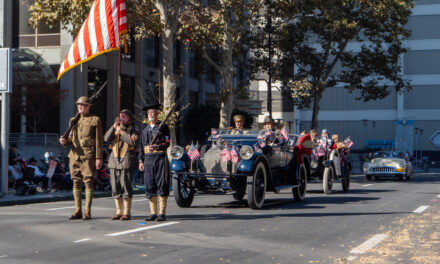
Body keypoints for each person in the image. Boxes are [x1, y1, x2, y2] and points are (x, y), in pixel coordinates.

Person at [59, 96, 103, 220]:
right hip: (74, 154)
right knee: (76, 181)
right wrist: (64, 141)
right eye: (79, 105)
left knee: (88, 182)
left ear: (88, 106)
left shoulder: (95, 120)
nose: (80, 107)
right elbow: (71, 139)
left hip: (88, 155)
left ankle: (87, 211)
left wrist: (99, 157)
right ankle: (78, 209)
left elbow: (99, 140)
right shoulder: (73, 120)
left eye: (83, 105)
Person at [104, 109, 139, 220]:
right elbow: (106, 138)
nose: (122, 118)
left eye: (124, 116)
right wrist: (114, 127)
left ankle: (126, 212)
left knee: (126, 186)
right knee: (115, 186)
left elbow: (133, 141)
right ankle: (118, 211)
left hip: (127, 160)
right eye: (121, 116)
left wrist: (122, 132)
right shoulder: (116, 126)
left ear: (129, 118)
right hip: (114, 160)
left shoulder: (134, 129)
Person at [138, 104, 170, 222]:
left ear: (158, 114)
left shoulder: (163, 127)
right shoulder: (144, 130)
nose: (151, 114)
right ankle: (153, 213)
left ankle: (162, 212)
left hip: (160, 157)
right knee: (149, 184)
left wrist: (158, 145)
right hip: (148, 160)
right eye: (149, 113)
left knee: (162, 184)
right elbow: (141, 147)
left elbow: (167, 142)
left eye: (154, 112)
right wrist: (140, 160)